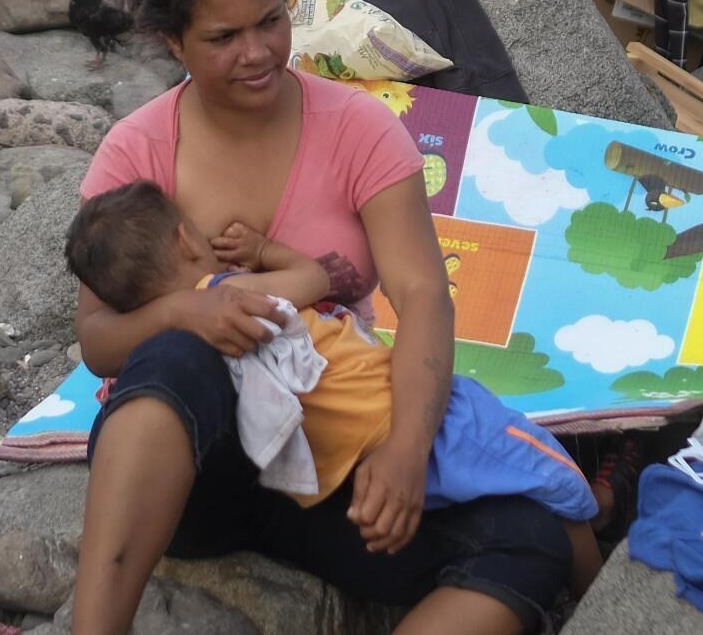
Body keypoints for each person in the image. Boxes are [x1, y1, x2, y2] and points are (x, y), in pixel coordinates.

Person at [38, 0, 607, 635]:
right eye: (223, 36)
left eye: (271, 20)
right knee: (178, 354)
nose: (257, 51)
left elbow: (422, 295)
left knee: (532, 537)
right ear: (173, 42)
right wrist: (189, 309)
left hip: (341, 467)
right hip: (205, 475)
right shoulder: (140, 149)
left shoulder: (359, 128)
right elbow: (99, 340)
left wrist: (408, 449)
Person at [64, 179, 602, 533]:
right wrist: (262, 250)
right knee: (555, 488)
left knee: (499, 502)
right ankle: (594, 569)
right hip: (416, 417)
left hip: (347, 466)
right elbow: (315, 278)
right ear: (187, 240)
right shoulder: (230, 293)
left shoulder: (179, 339)